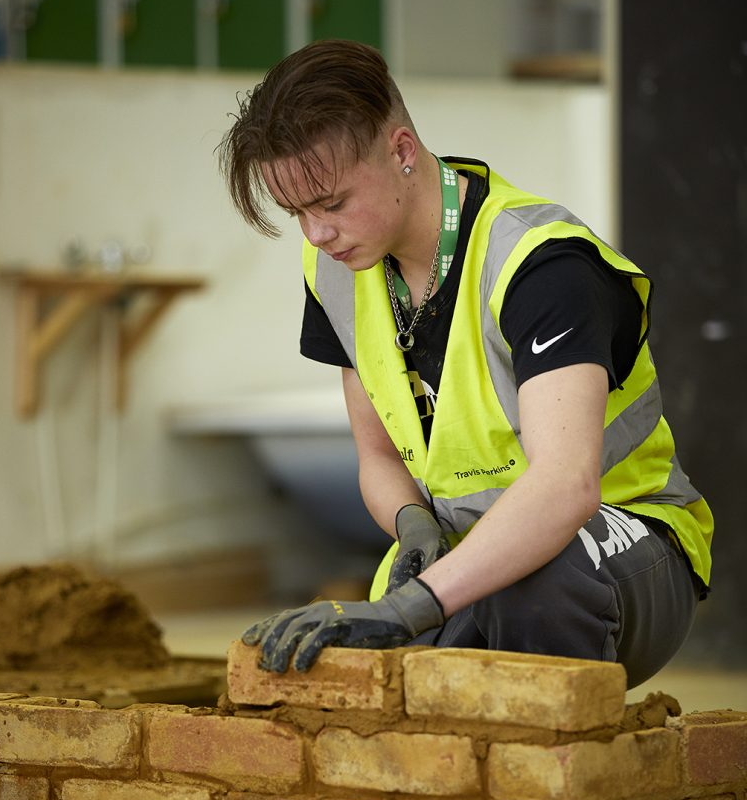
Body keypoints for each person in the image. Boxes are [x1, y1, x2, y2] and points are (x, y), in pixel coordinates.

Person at [219, 39, 712, 687]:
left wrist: (412, 605)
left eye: (333, 204)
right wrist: (410, 522)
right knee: (360, 675)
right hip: (467, 548)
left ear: (400, 151)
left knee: (534, 584)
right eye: (297, 214)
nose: (316, 235)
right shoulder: (338, 270)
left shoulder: (542, 264)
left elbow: (566, 487)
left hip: (619, 547)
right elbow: (379, 458)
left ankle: (557, 771)